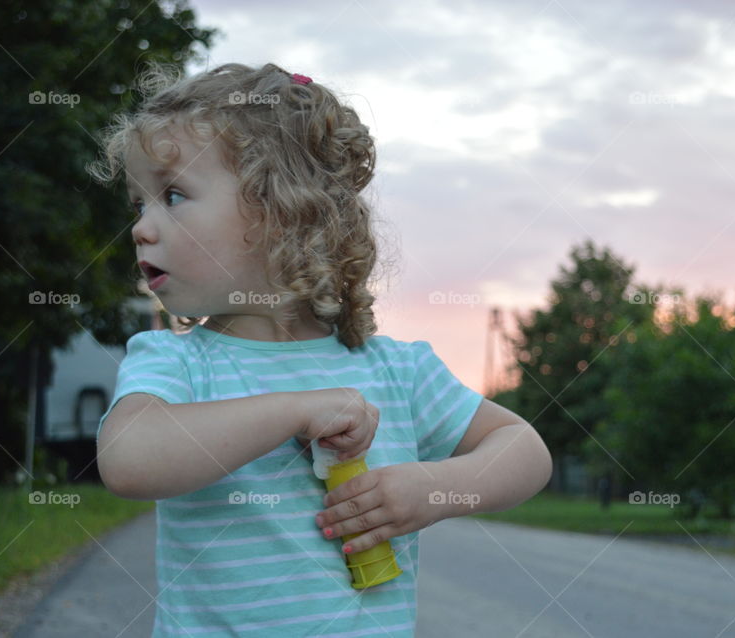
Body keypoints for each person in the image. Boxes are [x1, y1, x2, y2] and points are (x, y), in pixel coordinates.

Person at [89, 61, 553, 637]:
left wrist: (430, 490)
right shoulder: (175, 362)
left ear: (281, 210)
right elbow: (129, 461)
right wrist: (295, 409)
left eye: (173, 195)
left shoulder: (396, 370)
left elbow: (525, 452)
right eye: (139, 204)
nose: (140, 227)